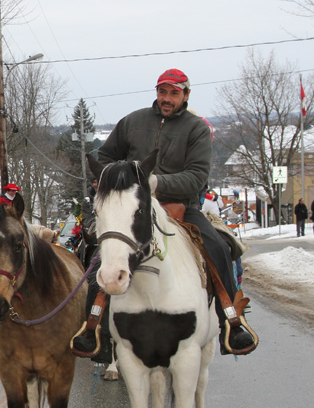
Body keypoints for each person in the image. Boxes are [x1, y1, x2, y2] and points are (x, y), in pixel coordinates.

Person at [71, 68, 258, 356]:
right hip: (134, 209)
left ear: (186, 95)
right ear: (156, 93)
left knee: (218, 246)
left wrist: (157, 182)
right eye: (162, 92)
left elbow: (197, 175)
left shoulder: (196, 129)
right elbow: (106, 156)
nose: (167, 98)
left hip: (179, 207)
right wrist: (113, 179)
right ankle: (95, 329)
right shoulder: (132, 122)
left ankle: (231, 323)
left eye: (174, 93)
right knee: (101, 253)